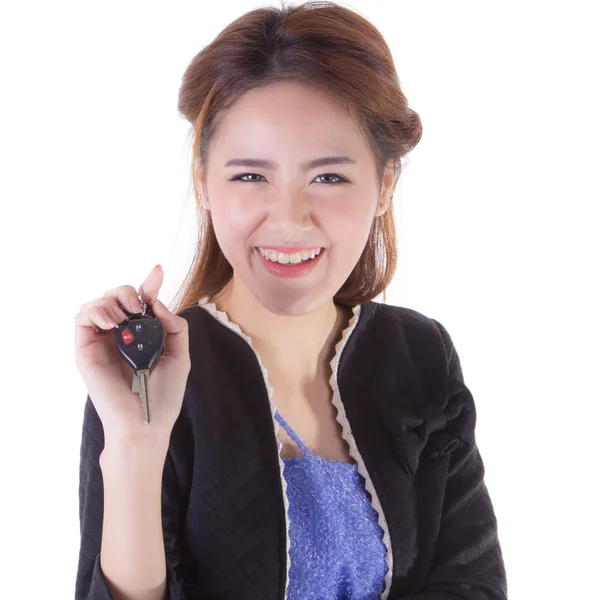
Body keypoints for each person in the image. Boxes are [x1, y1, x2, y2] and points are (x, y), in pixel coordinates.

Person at [74, 2, 508, 599]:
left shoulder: (419, 354)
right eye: (250, 176)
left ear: (384, 185)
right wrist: (133, 446)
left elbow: (471, 583)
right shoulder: (143, 374)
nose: (289, 218)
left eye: (328, 177)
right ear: (203, 184)